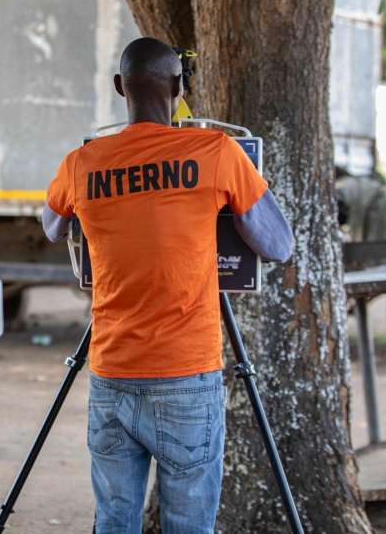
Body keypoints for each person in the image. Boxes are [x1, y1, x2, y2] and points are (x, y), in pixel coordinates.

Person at [42, 38, 293, 533]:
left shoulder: (82, 162)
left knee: (114, 520)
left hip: (111, 374)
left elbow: (52, 226)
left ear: (120, 88)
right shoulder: (215, 152)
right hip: (187, 375)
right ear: (179, 88)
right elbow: (278, 245)